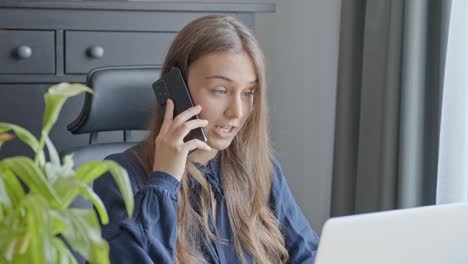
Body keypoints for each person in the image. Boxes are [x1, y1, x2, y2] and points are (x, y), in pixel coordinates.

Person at [93, 15, 319, 264]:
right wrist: (164, 182)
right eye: (220, 91)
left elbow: (311, 255)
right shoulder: (120, 178)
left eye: (248, 93)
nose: (237, 111)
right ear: (175, 86)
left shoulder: (261, 169)